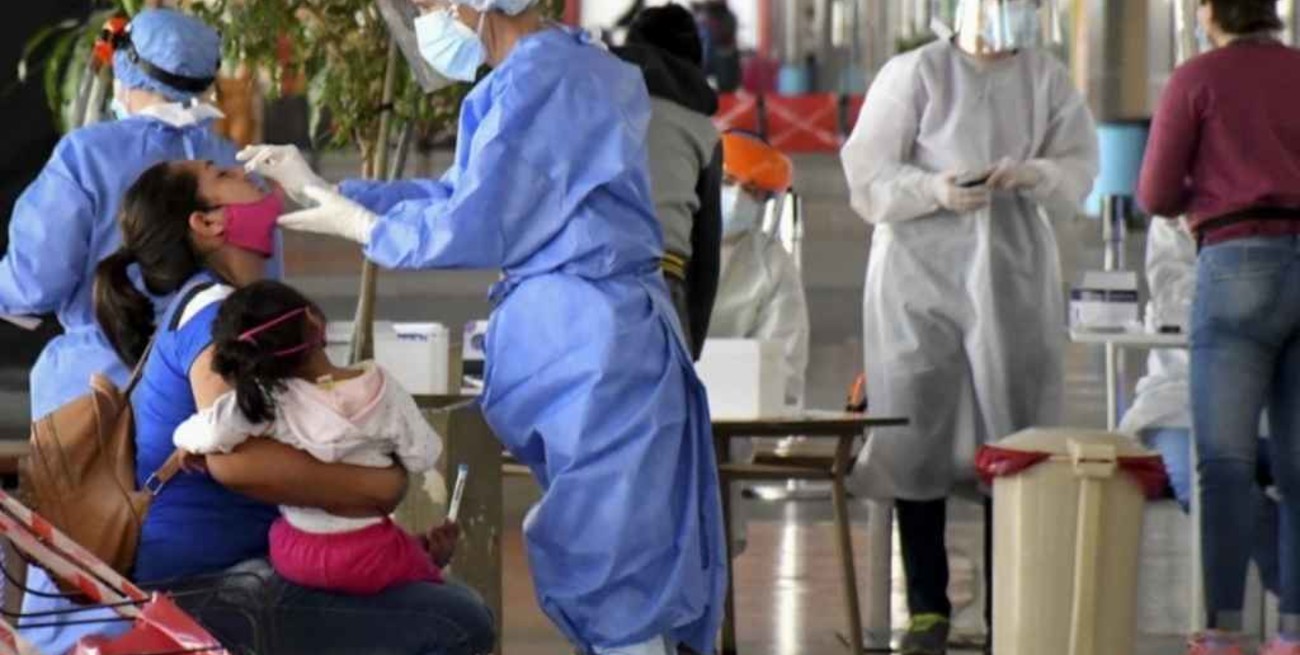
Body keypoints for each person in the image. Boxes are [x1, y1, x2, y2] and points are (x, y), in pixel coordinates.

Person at [241, 1, 727, 654]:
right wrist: (329, 193)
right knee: (611, 552)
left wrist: (365, 226)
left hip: (592, 346)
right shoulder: (557, 68)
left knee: (613, 566)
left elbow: (473, 219)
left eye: (429, 5)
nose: (426, 19)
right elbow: (463, 192)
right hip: (590, 340)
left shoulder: (541, 80)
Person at [91, 160, 495, 654]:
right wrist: (381, 486)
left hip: (248, 566)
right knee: (459, 621)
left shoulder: (230, 307)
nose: (247, 173)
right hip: (208, 584)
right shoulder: (216, 316)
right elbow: (236, 462)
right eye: (223, 174)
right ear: (208, 222)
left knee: (435, 601)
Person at [3, 10, 282, 651]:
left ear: (124, 69)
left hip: (91, 395)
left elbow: (32, 281)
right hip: (208, 390)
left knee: (84, 559)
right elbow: (264, 294)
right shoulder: (241, 171)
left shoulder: (87, 155)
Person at [840, 0, 1098, 652]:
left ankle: (1009, 603)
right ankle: (927, 606)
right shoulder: (917, 73)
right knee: (913, 429)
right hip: (917, 274)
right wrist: (934, 189)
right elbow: (867, 172)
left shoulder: (1044, 78)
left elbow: (1080, 165)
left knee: (1011, 434)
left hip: (1009, 273)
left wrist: (1037, 173)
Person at [1137, 1, 1300, 652]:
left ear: (1210, 12)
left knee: (1224, 464)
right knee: (1298, 465)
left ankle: (1224, 630)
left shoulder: (1197, 79)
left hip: (1236, 264)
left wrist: (1201, 197)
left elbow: (1155, 194)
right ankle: (1293, 633)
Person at [171, 280, 461, 596]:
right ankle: (430, 559)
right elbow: (423, 455)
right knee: (445, 592)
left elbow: (209, 429)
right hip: (368, 553)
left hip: (294, 551)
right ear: (314, 320)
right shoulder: (383, 389)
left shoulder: (269, 401)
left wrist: (187, 444)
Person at [1119, 218, 1280, 597]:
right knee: (1210, 485)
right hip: (1182, 405)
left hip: (1276, 406)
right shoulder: (1176, 219)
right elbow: (1178, 304)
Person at [613, 4, 723, 360]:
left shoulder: (591, 98)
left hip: (585, 277)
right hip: (661, 282)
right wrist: (692, 346)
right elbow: (706, 251)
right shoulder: (701, 130)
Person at [708, 131, 809, 408]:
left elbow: (785, 363)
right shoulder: (665, 240)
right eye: (727, 182)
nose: (736, 198)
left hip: (737, 416)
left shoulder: (772, 264)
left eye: (751, 191)